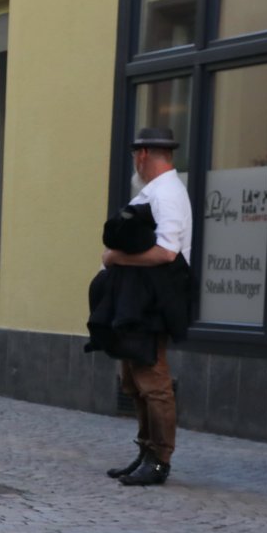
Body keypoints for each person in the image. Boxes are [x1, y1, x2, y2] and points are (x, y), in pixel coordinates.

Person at [100, 126, 193, 487]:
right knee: (134, 380)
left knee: (153, 382)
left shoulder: (166, 193)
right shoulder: (154, 190)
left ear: (142, 155)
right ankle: (146, 450)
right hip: (138, 299)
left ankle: (159, 459)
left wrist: (116, 258)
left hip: (155, 300)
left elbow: (167, 252)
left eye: (134, 156)